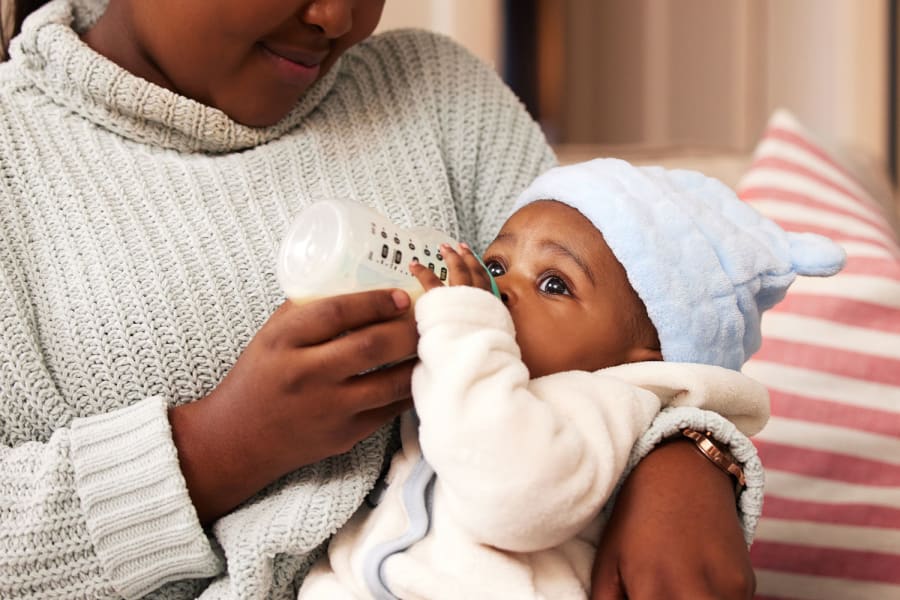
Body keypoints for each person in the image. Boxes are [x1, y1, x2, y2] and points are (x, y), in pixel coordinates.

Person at [0, 1, 768, 598]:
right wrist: (218, 448)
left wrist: (689, 455)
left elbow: (621, 322)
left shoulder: (437, 96)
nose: (337, 17)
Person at [294, 158, 845, 599]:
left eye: (554, 284)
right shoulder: (478, 369)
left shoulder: (601, 403)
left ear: (648, 354)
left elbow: (512, 502)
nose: (501, 290)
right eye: (496, 265)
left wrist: (461, 329)